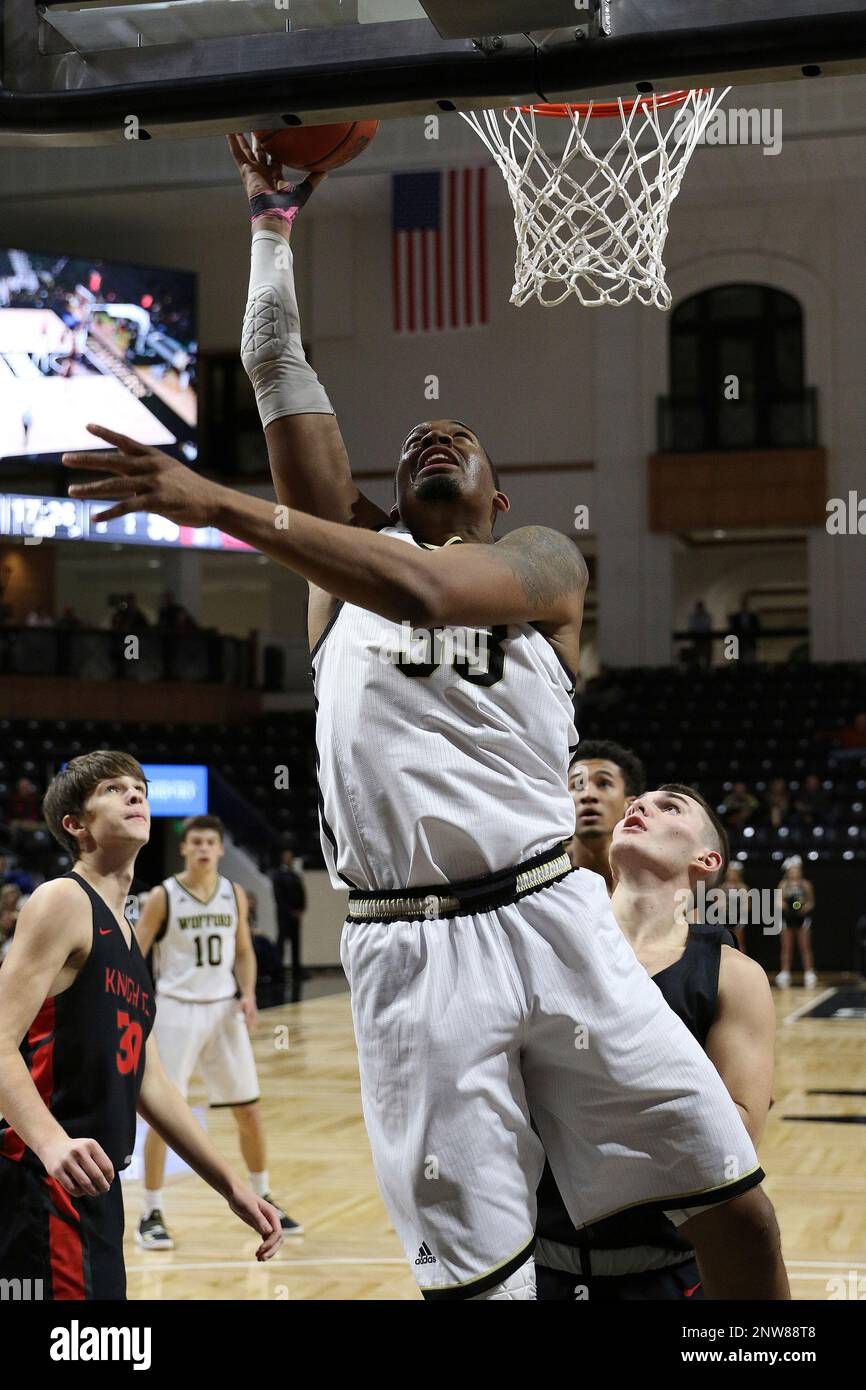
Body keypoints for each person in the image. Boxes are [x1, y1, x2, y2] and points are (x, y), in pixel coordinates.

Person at [62, 137, 788, 1302]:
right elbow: (271, 358)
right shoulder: (337, 572)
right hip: (409, 951)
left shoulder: (539, 564)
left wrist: (213, 502)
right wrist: (269, 223)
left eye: (457, 444)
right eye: (410, 449)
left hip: (551, 914)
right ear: (379, 500)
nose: (430, 440)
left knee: (731, 1204)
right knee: (478, 1283)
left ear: (499, 497)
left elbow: (430, 589)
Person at [0, 752, 282, 1299]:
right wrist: (53, 1143)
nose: (135, 795)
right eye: (113, 789)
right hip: (45, 1177)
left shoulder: (126, 934)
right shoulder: (63, 900)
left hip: (94, 1185)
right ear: (75, 825)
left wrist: (231, 1186)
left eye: (139, 787)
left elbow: (150, 1083)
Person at [536, 784, 776, 1300]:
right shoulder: (546, 942)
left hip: (668, 1275)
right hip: (536, 1266)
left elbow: (733, 1143)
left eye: (670, 807)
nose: (640, 806)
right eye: (637, 802)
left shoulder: (733, 975)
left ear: (706, 859)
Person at [134, 814, 301, 1249]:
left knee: (249, 1110)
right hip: (176, 1011)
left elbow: (243, 951)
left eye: (212, 841)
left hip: (224, 1011)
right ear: (185, 849)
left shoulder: (234, 894)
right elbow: (135, 951)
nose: (205, 848)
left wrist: (247, 993)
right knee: (163, 1116)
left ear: (222, 849)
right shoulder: (163, 896)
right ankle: (151, 1211)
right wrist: (136, 1005)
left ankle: (262, 1195)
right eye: (197, 842)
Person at [566, 739, 646, 885]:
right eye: (577, 785)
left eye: (603, 783)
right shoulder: (539, 871)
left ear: (629, 805)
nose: (588, 795)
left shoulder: (653, 876)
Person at [270, 845, 308, 1000]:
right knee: (282, 943)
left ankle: (296, 972)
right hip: (284, 915)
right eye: (288, 857)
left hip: (295, 916)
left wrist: (301, 909)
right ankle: (278, 972)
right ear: (283, 858)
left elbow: (302, 894)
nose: (290, 859)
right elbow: (279, 897)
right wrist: (290, 910)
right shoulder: (277, 875)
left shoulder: (295, 875)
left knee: (296, 944)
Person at [775, 855, 817, 988]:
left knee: (805, 946)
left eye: (796, 870)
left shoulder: (805, 884)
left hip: (802, 918)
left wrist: (805, 907)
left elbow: (811, 901)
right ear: (787, 872)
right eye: (791, 870)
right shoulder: (783, 884)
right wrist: (785, 906)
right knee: (786, 947)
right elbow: (778, 901)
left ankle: (809, 972)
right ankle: (785, 972)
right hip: (787, 918)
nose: (794, 873)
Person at [721, 861, 750, 954]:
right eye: (730, 873)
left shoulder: (743, 887)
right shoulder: (722, 887)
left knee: (739, 942)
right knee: (724, 943)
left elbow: (748, 904)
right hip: (725, 917)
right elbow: (717, 903)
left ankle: (742, 966)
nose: (732, 875)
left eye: (734, 873)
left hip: (739, 918)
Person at [687, 599, 713, 668]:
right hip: (697, 640)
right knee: (696, 658)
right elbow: (694, 627)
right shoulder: (693, 617)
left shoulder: (707, 616)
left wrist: (698, 629)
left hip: (705, 640)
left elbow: (705, 626)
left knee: (707, 659)